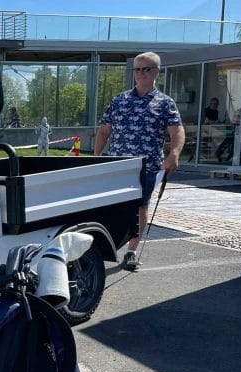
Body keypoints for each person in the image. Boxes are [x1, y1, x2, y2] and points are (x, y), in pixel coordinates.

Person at [95, 52, 185, 271]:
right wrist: (95, 157)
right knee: (112, 206)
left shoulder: (165, 103)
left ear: (156, 71)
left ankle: (131, 251)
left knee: (140, 208)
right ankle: (107, 246)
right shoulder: (119, 100)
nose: (141, 74)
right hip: (118, 164)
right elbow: (105, 131)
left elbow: (177, 131)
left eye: (146, 69)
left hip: (148, 165)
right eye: (137, 69)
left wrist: (174, 154)